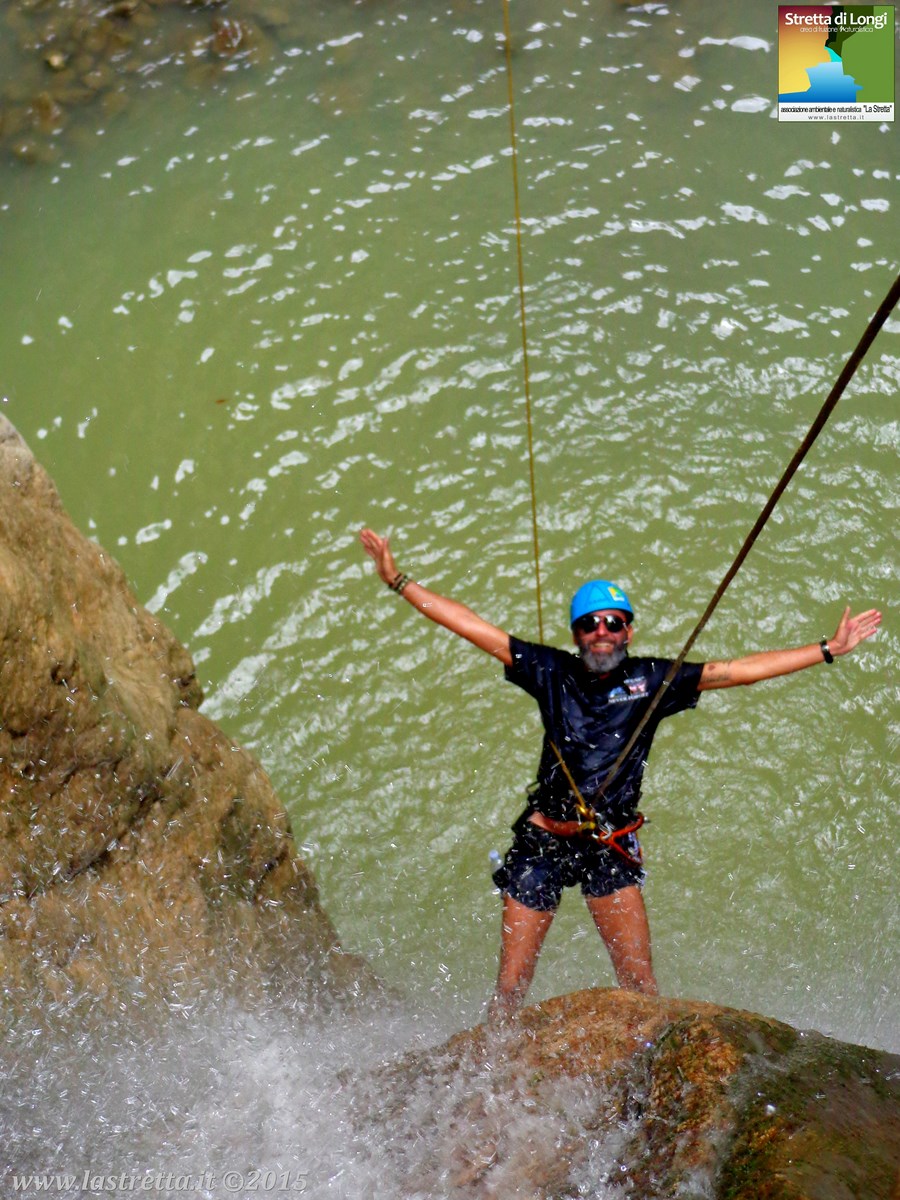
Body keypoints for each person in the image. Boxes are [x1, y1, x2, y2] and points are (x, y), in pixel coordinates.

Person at [358, 528, 882, 1020]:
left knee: (639, 985)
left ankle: (647, 1070)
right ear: (576, 634)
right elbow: (471, 626)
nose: (602, 632)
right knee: (511, 988)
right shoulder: (551, 671)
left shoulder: (652, 680)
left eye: (613, 622)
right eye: (590, 624)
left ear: (629, 630)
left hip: (608, 843)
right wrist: (397, 580)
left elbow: (737, 671)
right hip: (543, 840)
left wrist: (828, 650)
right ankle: (488, 1067)